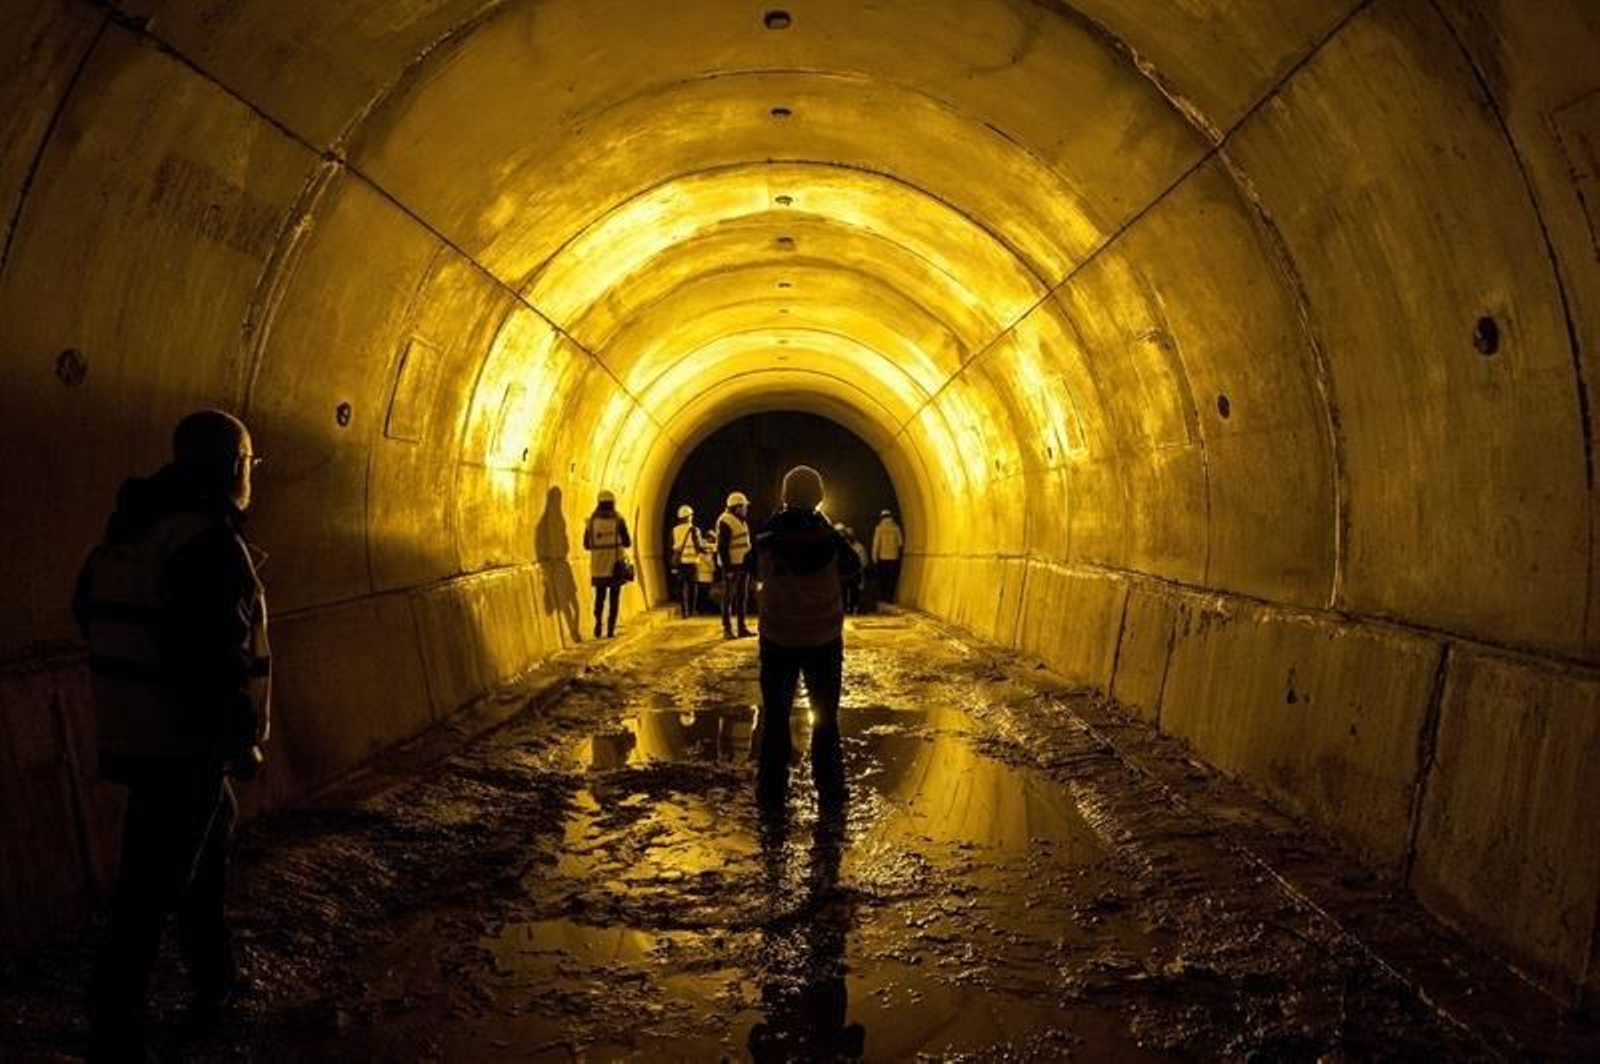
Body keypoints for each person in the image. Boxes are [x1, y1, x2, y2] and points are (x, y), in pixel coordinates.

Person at [73, 409, 271, 1061]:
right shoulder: (207, 543)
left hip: (140, 734)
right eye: (249, 466)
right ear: (234, 468)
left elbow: (90, 612)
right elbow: (215, 658)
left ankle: (215, 984)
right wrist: (237, 738)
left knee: (203, 858)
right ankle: (117, 1028)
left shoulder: (131, 531)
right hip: (184, 743)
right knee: (151, 890)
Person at [750, 467, 861, 809]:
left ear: (785, 495)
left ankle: (771, 790)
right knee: (825, 717)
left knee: (776, 715)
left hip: (778, 636)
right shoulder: (832, 540)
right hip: (823, 638)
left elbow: (752, 569)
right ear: (818, 496)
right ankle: (830, 790)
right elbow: (854, 570)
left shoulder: (769, 537)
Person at [583, 489, 632, 638]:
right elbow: (628, 542)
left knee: (600, 596)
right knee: (614, 598)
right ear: (613, 503)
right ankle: (610, 630)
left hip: (598, 566)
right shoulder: (619, 520)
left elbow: (586, 545)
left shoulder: (591, 522)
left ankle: (598, 622)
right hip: (615, 566)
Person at [717, 491, 753, 639]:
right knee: (728, 598)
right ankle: (727, 629)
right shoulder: (725, 521)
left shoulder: (740, 520)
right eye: (744, 506)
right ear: (737, 507)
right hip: (733, 566)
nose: (746, 509)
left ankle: (742, 628)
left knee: (742, 597)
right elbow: (722, 547)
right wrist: (728, 569)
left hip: (742, 565)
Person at [670, 504, 702, 618]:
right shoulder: (694, 529)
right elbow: (698, 545)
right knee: (693, 587)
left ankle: (684, 612)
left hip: (680, 562)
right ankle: (692, 610)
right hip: (692, 562)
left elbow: (671, 546)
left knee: (682, 588)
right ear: (689, 517)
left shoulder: (674, 530)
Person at [871, 509, 904, 604]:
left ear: (882, 517)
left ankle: (883, 598)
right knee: (891, 580)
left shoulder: (879, 528)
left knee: (882, 579)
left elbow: (876, 544)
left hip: (882, 558)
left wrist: (874, 558)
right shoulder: (896, 528)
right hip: (894, 558)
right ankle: (890, 598)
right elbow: (900, 543)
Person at [694, 527, 718, 614]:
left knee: (703, 592)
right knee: (703, 592)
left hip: (705, 572)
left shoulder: (704, 546)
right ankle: (701, 609)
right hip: (704, 572)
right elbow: (708, 559)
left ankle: (701, 609)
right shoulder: (705, 547)